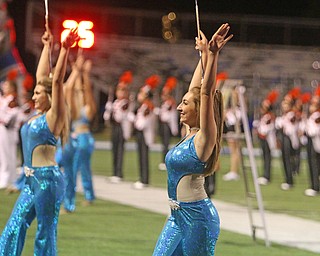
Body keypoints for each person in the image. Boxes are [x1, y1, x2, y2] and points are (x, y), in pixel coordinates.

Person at [153, 23, 232, 255]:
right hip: (176, 218)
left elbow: (205, 92)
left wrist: (214, 55)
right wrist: (203, 54)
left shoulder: (204, 138)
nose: (179, 107)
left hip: (198, 219)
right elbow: (196, 88)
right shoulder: (188, 134)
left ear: (199, 110)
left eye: (185, 104)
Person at [0, 28, 79, 255]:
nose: (34, 96)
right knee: (14, 226)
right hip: (30, 181)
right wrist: (46, 46)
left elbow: (55, 84)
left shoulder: (54, 117)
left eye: (37, 93)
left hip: (48, 181)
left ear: (49, 97)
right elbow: (43, 76)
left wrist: (64, 50)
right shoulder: (37, 114)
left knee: (45, 232)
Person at [64, 54, 97, 209]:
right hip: (74, 138)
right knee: (74, 169)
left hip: (84, 139)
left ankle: (84, 197)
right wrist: (76, 69)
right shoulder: (74, 108)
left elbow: (86, 91)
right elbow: (71, 89)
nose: (79, 92)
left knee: (80, 168)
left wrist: (83, 74)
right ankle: (77, 198)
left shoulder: (87, 108)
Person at [103, 71, 134, 183]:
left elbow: (121, 116)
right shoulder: (115, 102)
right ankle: (114, 171)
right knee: (114, 149)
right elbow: (107, 116)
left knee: (120, 150)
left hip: (121, 128)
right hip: (115, 127)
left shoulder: (126, 103)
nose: (119, 92)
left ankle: (119, 173)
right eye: (118, 89)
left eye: (122, 90)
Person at [132, 75, 160, 189]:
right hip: (142, 133)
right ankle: (143, 178)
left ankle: (144, 179)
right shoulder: (145, 106)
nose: (139, 95)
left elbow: (142, 123)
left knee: (143, 155)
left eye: (141, 93)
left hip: (143, 133)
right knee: (142, 155)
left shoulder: (147, 106)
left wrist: (133, 120)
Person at [275, 87, 301, 190]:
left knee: (287, 159)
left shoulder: (292, 114)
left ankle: (290, 180)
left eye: (286, 103)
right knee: (284, 159)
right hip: (284, 137)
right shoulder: (284, 115)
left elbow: (290, 128)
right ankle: (287, 179)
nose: (283, 105)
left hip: (289, 138)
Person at [253, 89, 278, 185]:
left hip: (267, 139)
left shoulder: (269, 116)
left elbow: (267, 129)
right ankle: (265, 175)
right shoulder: (264, 116)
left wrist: (260, 132)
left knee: (267, 157)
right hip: (263, 139)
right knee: (264, 157)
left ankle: (267, 176)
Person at [156, 76, 179, 171]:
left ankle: (166, 161)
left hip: (167, 125)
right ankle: (164, 160)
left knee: (166, 144)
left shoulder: (170, 103)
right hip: (163, 124)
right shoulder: (165, 103)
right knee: (164, 144)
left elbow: (170, 116)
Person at [302, 86, 320, 196]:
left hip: (315, 142)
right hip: (313, 141)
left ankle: (315, 187)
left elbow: (313, 131)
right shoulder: (313, 116)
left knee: (314, 164)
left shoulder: (317, 116)